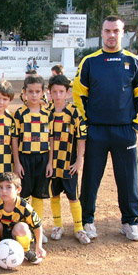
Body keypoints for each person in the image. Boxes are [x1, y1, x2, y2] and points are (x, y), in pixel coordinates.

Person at [73, 15, 138, 241]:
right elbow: (78, 96)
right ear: (102, 33)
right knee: (91, 177)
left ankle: (130, 222)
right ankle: (87, 220)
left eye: (116, 31)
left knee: (127, 178)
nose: (111, 35)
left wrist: (136, 125)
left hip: (125, 131)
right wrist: (85, 125)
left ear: (122, 33)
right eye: (107, 31)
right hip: (96, 130)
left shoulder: (134, 62)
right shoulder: (90, 62)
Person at [46, 74, 90, 244]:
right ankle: (58, 225)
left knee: (73, 196)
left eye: (61, 92)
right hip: (52, 163)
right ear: (50, 93)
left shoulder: (74, 112)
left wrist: (79, 159)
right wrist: (48, 162)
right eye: (54, 92)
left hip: (68, 163)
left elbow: (81, 138)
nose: (58, 95)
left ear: (68, 93)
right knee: (54, 195)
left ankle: (79, 228)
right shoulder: (46, 112)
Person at [12, 75, 54, 243]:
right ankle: (25, 227)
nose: (34, 95)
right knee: (25, 195)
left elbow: (51, 139)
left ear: (43, 92)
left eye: (38, 91)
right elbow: (14, 139)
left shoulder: (47, 114)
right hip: (25, 159)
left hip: (43, 159)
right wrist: (17, 162)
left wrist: (50, 162)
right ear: (25, 93)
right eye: (31, 92)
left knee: (39, 195)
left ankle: (38, 227)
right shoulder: (20, 113)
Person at [0, 172, 46, 265]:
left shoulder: (25, 207)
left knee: (22, 227)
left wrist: (39, 247)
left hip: (17, 234)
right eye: (1, 187)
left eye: (8, 187)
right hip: (2, 234)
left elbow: (38, 226)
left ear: (18, 189)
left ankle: (25, 250)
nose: (4, 191)